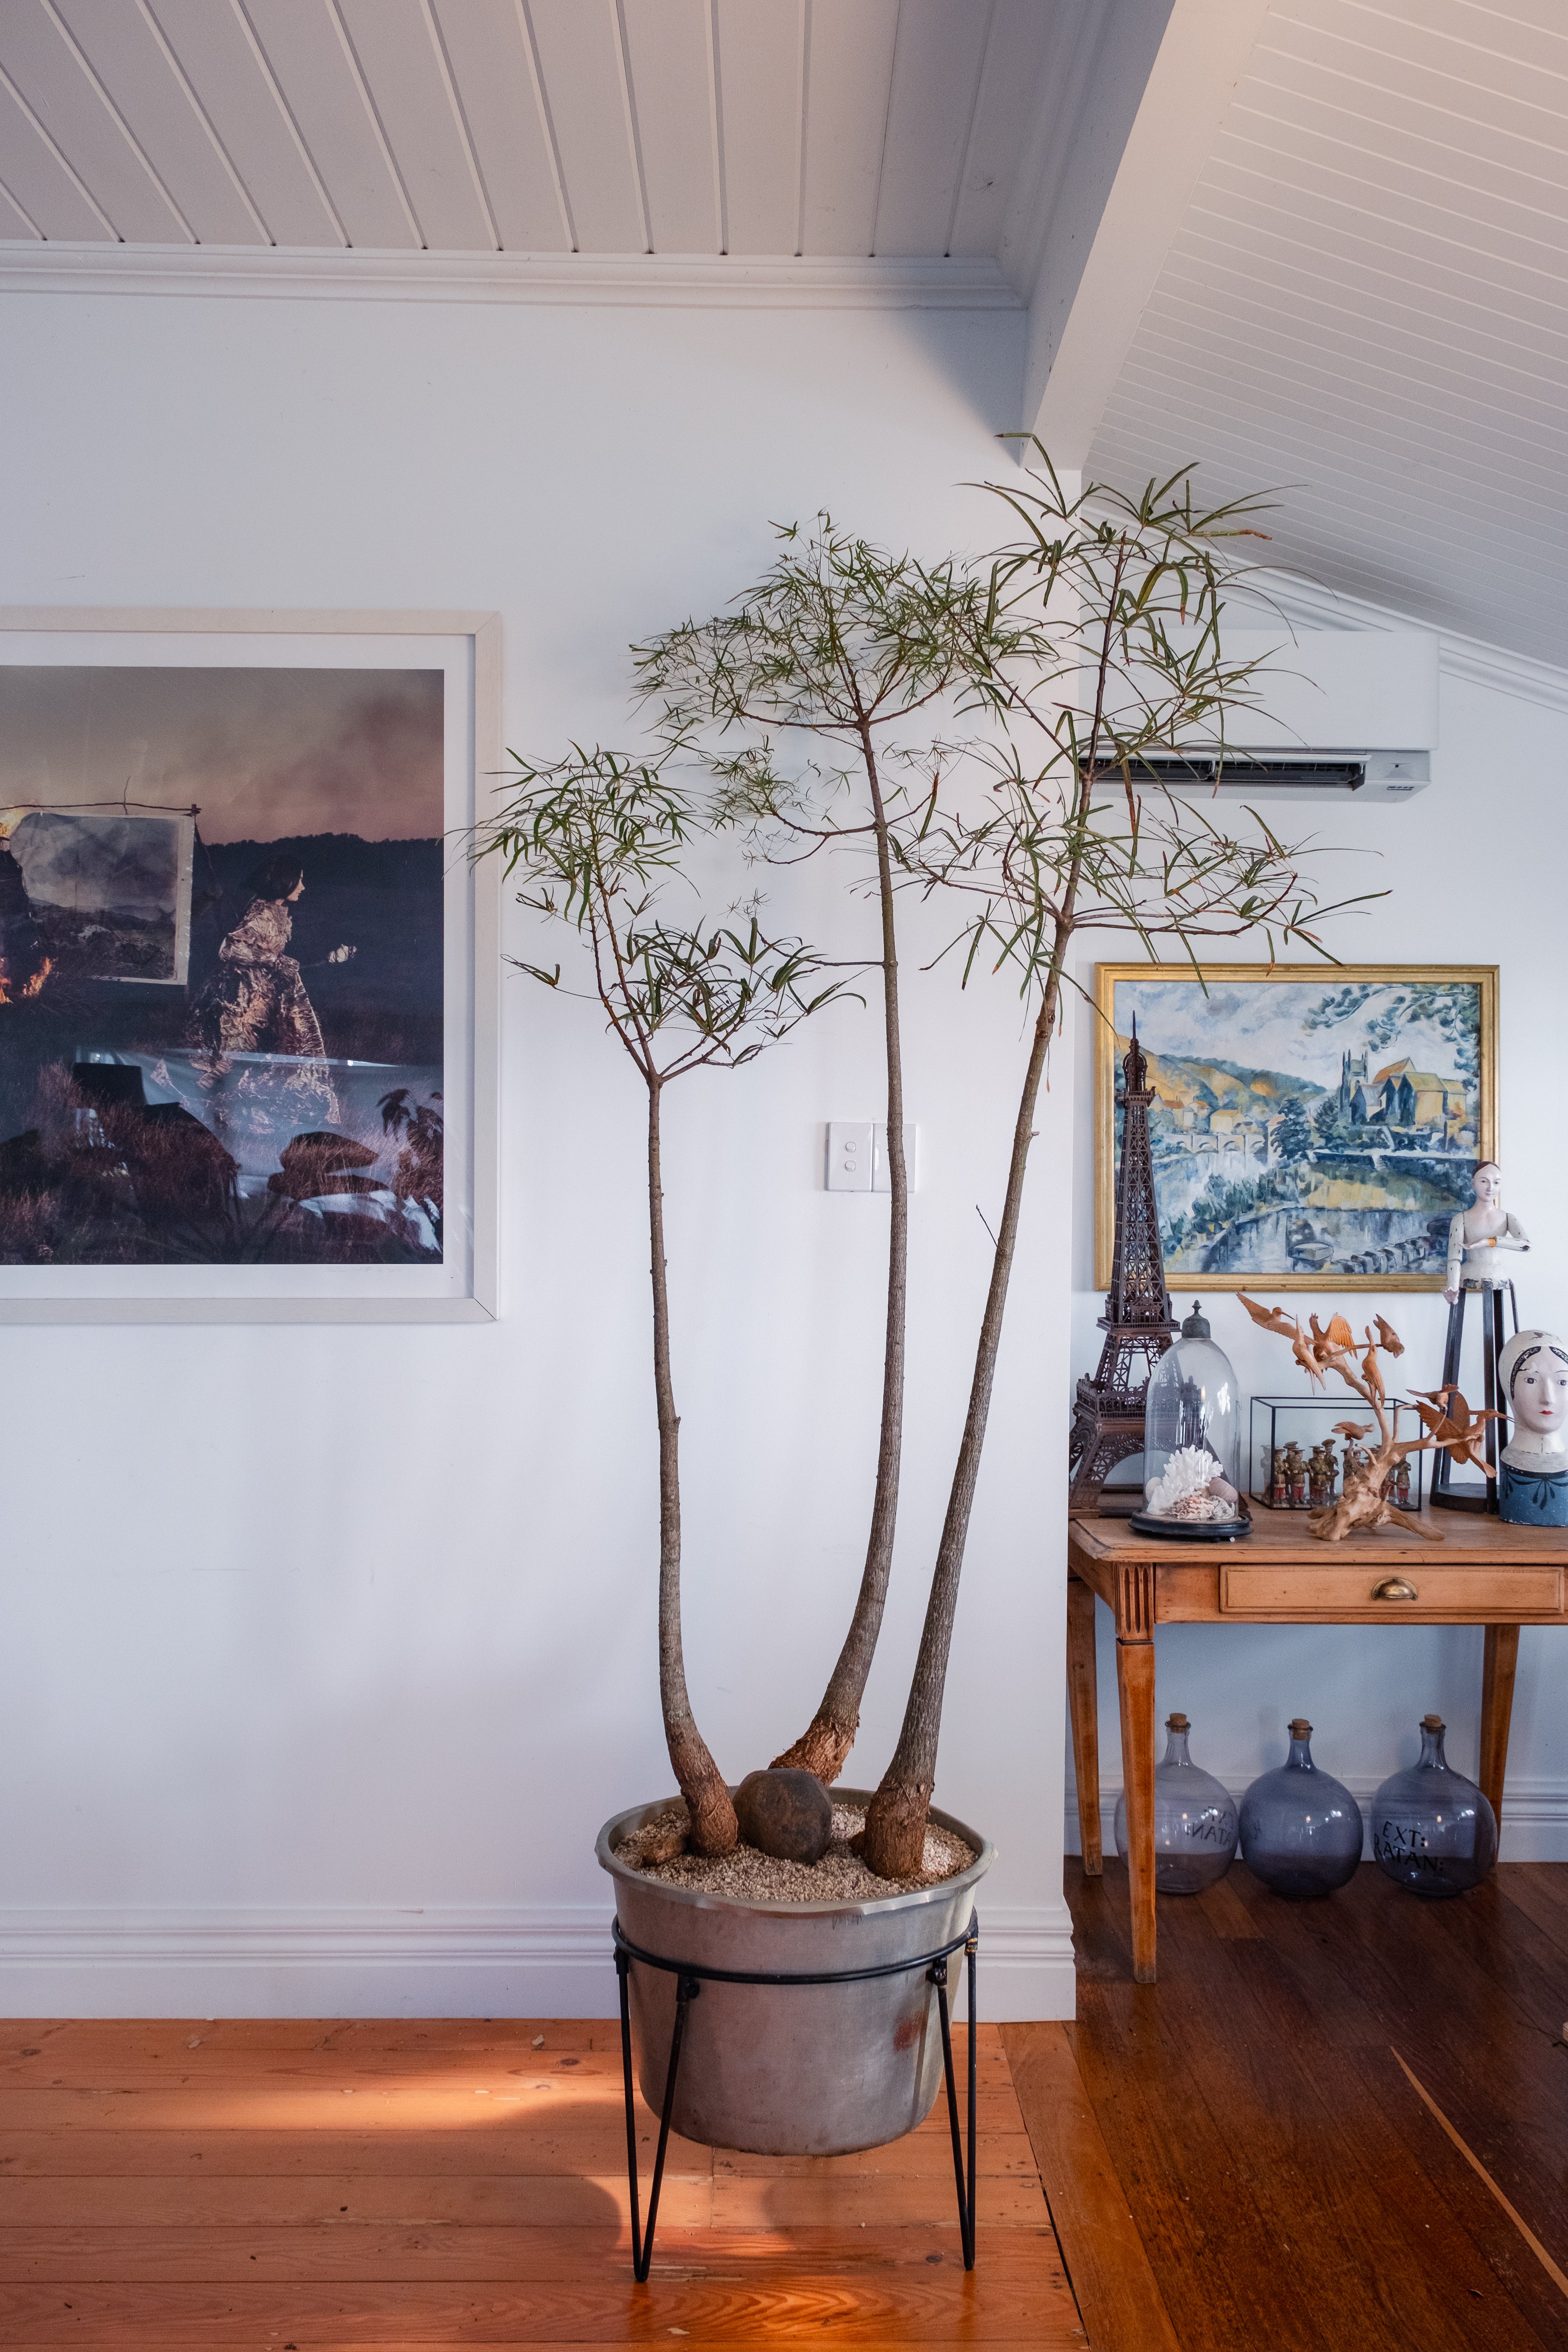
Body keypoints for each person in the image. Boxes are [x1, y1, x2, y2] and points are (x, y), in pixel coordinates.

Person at [184, 857, 355, 1137]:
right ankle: (214, 1121)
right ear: (283, 882)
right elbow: (229, 949)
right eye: (298, 879)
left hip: (265, 994)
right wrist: (273, 960)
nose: (302, 886)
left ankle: (243, 1122)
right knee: (236, 1058)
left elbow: (289, 959)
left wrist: (329, 958)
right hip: (242, 995)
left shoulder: (278, 911)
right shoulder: (261, 912)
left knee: (263, 1056)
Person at [1443, 1162, 1528, 1304]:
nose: (1490, 1188)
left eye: (1496, 1183)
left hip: (1498, 1275)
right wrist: (1452, 1288)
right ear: (1473, 1184)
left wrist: (1490, 1242)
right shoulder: (1461, 1219)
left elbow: (1526, 1244)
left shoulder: (1507, 1218)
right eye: (1484, 1181)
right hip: (1470, 1274)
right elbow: (1454, 1258)